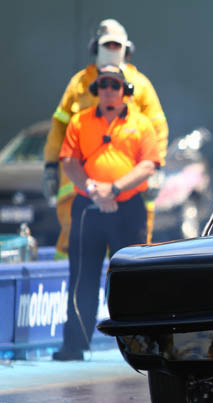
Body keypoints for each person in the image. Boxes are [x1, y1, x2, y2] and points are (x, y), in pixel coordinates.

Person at [53, 65, 163, 361]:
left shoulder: (141, 124)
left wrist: (113, 190)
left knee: (132, 278)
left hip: (128, 208)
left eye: (115, 85)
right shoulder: (79, 121)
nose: (109, 90)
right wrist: (94, 190)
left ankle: (140, 344)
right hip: (88, 208)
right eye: (103, 85)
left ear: (125, 90)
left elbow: (148, 165)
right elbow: (69, 161)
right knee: (82, 277)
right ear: (96, 90)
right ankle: (74, 345)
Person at [43, 18, 168, 259]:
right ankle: (70, 281)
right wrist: (50, 166)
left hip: (130, 189)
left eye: (116, 45)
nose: (111, 50)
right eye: (107, 45)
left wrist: (157, 168)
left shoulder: (140, 85)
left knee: (133, 251)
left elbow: (157, 128)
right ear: (95, 47)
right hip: (82, 187)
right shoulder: (80, 83)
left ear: (126, 49)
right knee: (76, 243)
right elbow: (59, 126)